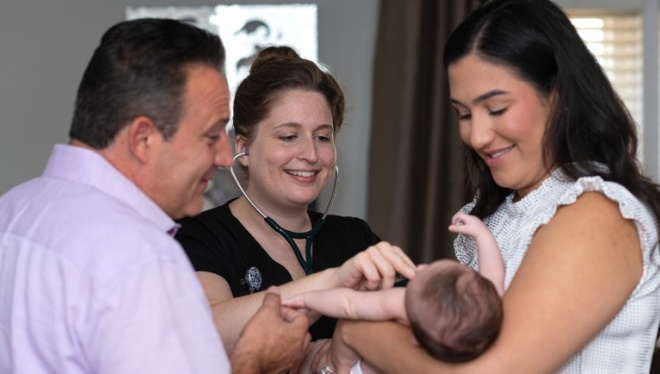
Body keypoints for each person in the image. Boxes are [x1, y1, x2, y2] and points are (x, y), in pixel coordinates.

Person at [315, 0, 660, 373]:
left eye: (496, 108)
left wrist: (355, 332)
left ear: (558, 94)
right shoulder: (500, 216)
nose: (476, 136)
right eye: (463, 114)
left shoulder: (597, 214)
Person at [0, 18, 312, 374]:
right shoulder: (142, 260)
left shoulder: (10, 212)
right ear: (143, 139)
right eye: (210, 136)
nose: (226, 159)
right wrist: (255, 361)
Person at [174, 45, 417, 354]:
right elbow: (205, 329)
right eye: (289, 136)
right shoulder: (201, 237)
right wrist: (332, 282)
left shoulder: (356, 238)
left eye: (322, 137)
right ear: (243, 148)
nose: (311, 155)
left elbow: (418, 324)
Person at [283, 212, 504, 371]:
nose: (422, 267)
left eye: (424, 273)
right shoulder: (482, 311)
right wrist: (482, 234)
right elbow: (494, 274)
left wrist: (305, 298)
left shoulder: (403, 303)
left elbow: (347, 303)